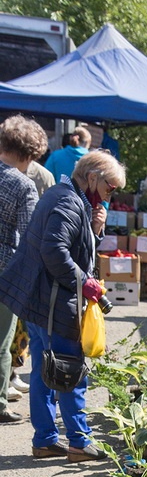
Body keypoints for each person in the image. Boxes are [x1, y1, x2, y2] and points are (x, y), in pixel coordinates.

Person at [0, 151, 126, 459]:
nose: (111, 195)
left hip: (39, 297)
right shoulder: (69, 201)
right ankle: (79, 442)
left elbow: (69, 244)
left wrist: (95, 229)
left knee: (46, 370)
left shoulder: (64, 194)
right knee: (70, 368)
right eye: (110, 187)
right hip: (54, 300)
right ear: (92, 177)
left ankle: (45, 438)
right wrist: (84, 281)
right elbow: (54, 249)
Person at [0, 116, 47, 424]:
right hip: (5, 271)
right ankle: (0, 404)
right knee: (2, 342)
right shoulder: (23, 184)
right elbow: (30, 237)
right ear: (30, 155)